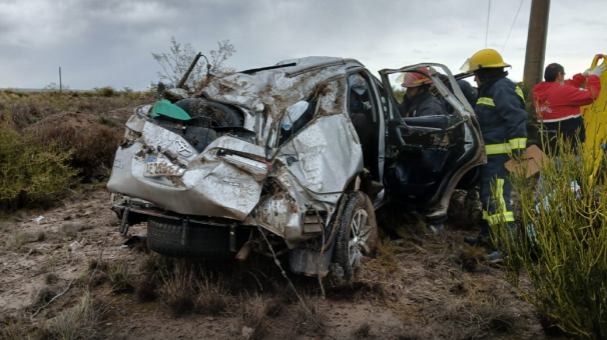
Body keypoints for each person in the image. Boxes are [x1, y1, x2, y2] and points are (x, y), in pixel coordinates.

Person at [460, 49, 527, 261]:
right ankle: (488, 237)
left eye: (476, 74)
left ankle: (508, 249)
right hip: (490, 157)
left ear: (486, 72)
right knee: (489, 199)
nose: (474, 78)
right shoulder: (492, 88)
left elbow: (516, 119)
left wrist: (518, 153)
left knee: (498, 200)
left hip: (501, 157)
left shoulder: (501, 88)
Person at [533, 63, 604, 154]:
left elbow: (562, 90)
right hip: (568, 148)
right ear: (559, 75)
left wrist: (582, 76)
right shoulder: (563, 92)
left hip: (547, 147)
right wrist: (594, 77)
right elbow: (592, 95)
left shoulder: (538, 91)